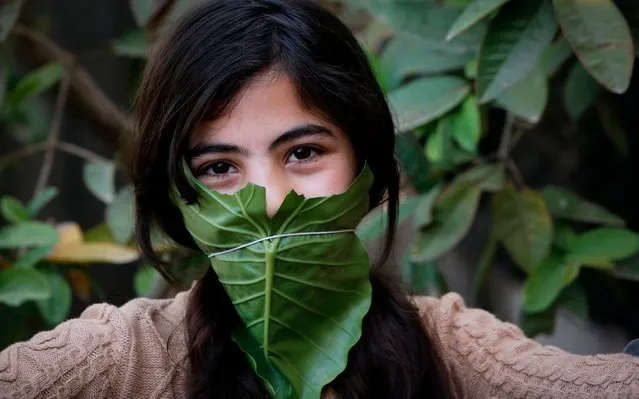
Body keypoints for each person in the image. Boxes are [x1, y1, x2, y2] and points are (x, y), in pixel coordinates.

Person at [1, 1, 638, 398]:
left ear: (366, 165)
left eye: (303, 152)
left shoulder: (447, 348)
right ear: (180, 198)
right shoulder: (127, 358)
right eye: (219, 166)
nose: (270, 201)